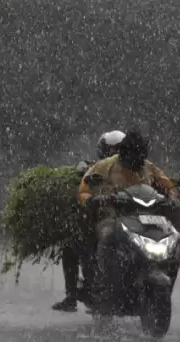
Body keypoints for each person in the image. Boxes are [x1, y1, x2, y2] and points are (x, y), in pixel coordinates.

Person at [78, 130, 180, 314]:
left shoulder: (149, 167)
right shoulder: (105, 166)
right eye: (132, 157)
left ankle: (165, 279)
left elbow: (169, 186)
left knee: (178, 238)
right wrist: (91, 200)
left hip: (147, 218)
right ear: (123, 153)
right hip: (112, 217)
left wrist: (173, 198)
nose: (136, 162)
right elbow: (84, 188)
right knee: (108, 236)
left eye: (140, 158)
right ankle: (104, 284)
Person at [52, 130, 126, 312]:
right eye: (113, 150)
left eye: (119, 150)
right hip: (103, 219)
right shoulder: (96, 168)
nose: (115, 155)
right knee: (76, 246)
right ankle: (73, 296)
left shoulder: (135, 169)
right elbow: (85, 182)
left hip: (131, 219)